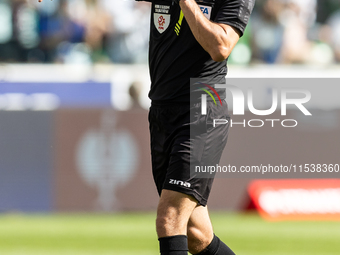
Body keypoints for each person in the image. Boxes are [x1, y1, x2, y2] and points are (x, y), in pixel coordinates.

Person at [39, 0, 254, 254]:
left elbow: (221, 46)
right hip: (162, 110)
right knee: (196, 234)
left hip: (202, 107)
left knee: (169, 218)